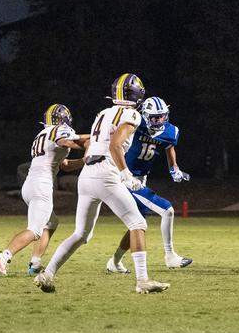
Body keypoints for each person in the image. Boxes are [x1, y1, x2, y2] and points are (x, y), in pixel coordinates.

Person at [34, 73, 169, 294]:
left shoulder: (103, 113)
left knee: (81, 234)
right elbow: (115, 145)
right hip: (107, 172)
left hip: (87, 174)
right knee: (138, 224)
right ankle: (142, 280)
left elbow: (94, 140)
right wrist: (126, 174)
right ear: (137, 94)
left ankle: (47, 274)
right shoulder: (132, 114)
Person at [0, 104, 87, 276]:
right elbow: (67, 141)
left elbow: (64, 165)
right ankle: (4, 255)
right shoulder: (59, 131)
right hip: (41, 185)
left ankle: (35, 263)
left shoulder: (42, 134)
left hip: (30, 185)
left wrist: (84, 161)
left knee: (51, 223)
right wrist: (95, 140)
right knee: (35, 230)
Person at [105, 96, 192, 274]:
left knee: (137, 224)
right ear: (145, 115)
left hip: (142, 178)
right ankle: (170, 256)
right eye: (154, 117)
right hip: (126, 177)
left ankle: (114, 261)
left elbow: (169, 147)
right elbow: (115, 140)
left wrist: (174, 169)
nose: (158, 120)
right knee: (167, 210)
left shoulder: (171, 131)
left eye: (161, 116)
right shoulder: (135, 123)